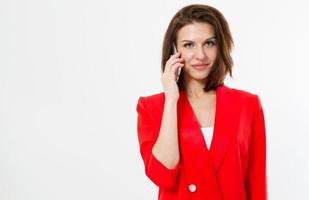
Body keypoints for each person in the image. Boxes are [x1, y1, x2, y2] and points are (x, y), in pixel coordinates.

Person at [136, 4, 267, 200]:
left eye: (209, 43)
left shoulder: (247, 105)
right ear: (174, 50)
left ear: (220, 46)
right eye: (189, 45)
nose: (201, 55)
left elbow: (256, 185)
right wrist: (171, 99)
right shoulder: (152, 107)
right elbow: (163, 175)